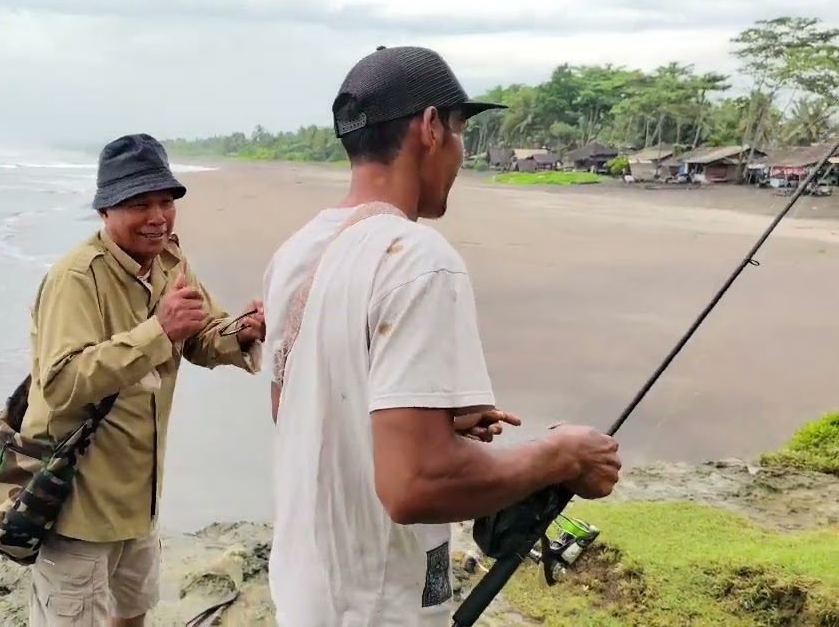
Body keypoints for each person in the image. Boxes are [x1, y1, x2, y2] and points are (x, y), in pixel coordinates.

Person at [261, 46, 623, 626]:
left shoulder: (296, 253)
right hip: (377, 605)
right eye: (460, 130)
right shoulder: (418, 258)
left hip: (305, 593)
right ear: (431, 127)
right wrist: (561, 455)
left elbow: (304, 410)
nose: (460, 153)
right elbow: (415, 486)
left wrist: (429, 422)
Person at [20, 133, 266, 627]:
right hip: (78, 504)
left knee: (133, 614)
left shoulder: (171, 263)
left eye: (165, 202)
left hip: (140, 496)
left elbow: (200, 336)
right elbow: (61, 383)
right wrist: (159, 331)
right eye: (139, 204)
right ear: (105, 211)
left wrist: (243, 330)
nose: (157, 216)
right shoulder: (76, 278)